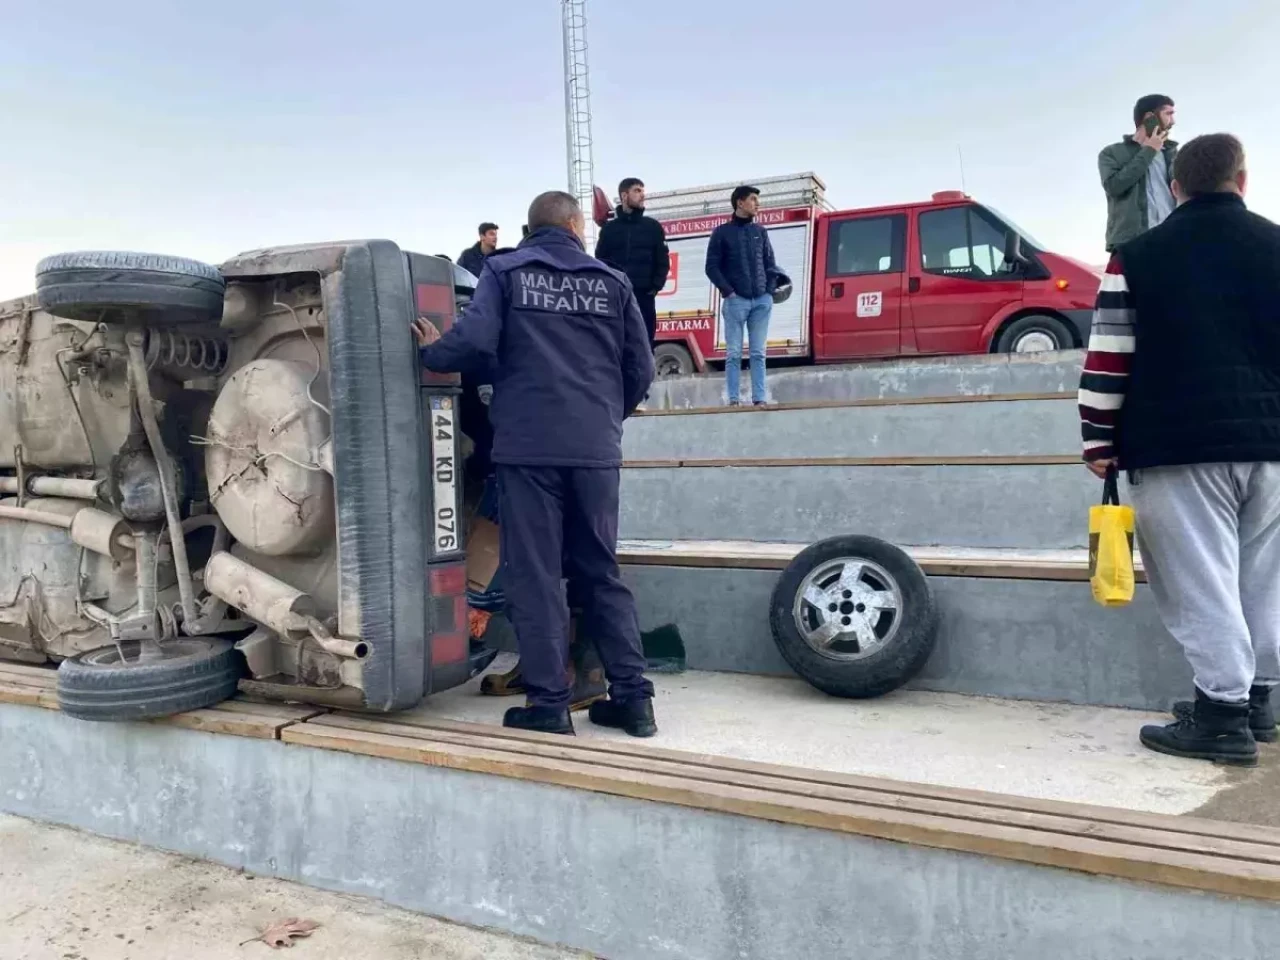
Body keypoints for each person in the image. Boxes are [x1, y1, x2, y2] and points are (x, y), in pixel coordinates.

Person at [414, 190, 657, 737]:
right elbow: (640, 369)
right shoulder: (612, 282)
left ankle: (550, 703)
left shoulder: (504, 270)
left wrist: (433, 350)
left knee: (537, 575)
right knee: (600, 571)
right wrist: (602, 420)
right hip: (594, 451)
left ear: (530, 230)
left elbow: (474, 343)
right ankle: (635, 701)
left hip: (529, 449)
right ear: (575, 226)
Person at [1078, 133, 1280, 766]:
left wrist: (1098, 436)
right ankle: (1258, 701)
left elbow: (1109, 356)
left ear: (1174, 186)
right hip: (1273, 443)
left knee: (1202, 584)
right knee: (1265, 580)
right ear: (1242, 182)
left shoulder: (1137, 254)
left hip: (1177, 442)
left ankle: (1221, 718)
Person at [705, 185, 779, 406]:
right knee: (734, 354)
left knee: (758, 353)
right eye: (753, 199)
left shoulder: (760, 232)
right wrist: (729, 292)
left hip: (761, 302)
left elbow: (770, 264)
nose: (758, 204)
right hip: (735, 301)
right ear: (740, 202)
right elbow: (711, 267)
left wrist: (769, 292)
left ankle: (759, 399)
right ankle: (734, 400)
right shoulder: (721, 233)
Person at [595, 177, 670, 350]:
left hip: (644, 297)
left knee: (644, 344)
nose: (642, 195)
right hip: (616, 296)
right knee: (617, 344)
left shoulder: (652, 227)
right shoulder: (609, 230)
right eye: (637, 191)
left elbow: (663, 260)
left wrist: (655, 286)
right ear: (624, 195)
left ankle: (645, 378)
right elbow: (601, 261)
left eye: (643, 191)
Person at [1099, 95, 1178, 251]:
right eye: (1168, 114)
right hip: (1131, 244)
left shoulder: (1173, 154)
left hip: (1172, 242)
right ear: (1150, 117)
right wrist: (1149, 150)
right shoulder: (1112, 153)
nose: (1173, 121)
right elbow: (1114, 186)